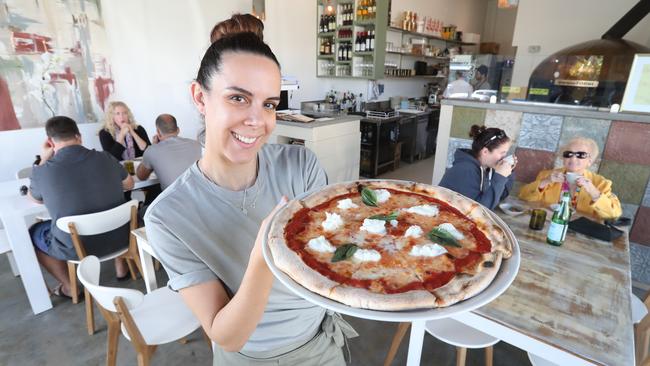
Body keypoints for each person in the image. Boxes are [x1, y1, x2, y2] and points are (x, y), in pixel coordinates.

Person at [144, 15, 357, 366]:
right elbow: (227, 334)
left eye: (269, 104)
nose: (257, 121)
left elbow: (330, 262)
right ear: (200, 97)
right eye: (239, 99)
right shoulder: (168, 217)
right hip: (251, 358)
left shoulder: (300, 165)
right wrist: (263, 255)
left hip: (322, 344)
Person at [28, 116, 134, 298]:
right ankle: (121, 266)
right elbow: (129, 184)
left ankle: (70, 287)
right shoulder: (106, 158)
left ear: (50, 142)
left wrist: (43, 159)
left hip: (77, 247)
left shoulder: (42, 171)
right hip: (121, 238)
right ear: (79, 136)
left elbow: (35, 199)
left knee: (34, 232)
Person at [519, 137, 622, 219]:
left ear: (590, 161)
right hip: (547, 223)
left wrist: (592, 190)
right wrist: (546, 181)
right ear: (563, 158)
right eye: (568, 154)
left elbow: (613, 215)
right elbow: (523, 197)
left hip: (580, 232)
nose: (573, 158)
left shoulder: (601, 183)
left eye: (581, 155)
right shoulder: (547, 175)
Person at [439, 125, 516, 210]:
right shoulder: (466, 170)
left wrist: (509, 171)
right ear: (485, 151)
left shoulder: (487, 168)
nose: (504, 157)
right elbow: (479, 210)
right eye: (502, 152)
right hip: (443, 218)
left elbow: (499, 197)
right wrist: (500, 178)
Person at [136, 114, 202, 190]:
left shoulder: (152, 151)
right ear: (178, 130)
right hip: (200, 195)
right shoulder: (196, 144)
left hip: (174, 199)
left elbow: (141, 176)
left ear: (158, 132)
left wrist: (153, 146)